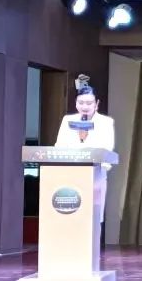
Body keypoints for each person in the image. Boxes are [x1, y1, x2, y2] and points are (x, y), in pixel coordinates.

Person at [54, 75, 115, 224]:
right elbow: (59, 147)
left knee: (92, 220)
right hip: (69, 176)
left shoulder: (106, 122)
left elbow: (107, 149)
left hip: (95, 177)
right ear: (76, 104)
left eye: (89, 103)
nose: (85, 106)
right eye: (81, 103)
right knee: (70, 218)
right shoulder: (67, 120)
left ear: (96, 104)